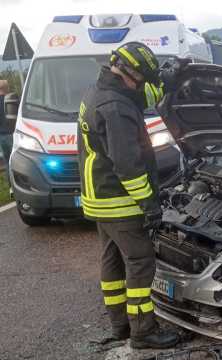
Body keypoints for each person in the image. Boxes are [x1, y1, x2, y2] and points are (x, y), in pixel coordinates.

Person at [77, 42, 178, 349]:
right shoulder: (116, 108)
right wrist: (150, 205)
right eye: (143, 79)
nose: (144, 85)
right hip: (119, 200)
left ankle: (120, 324)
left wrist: (168, 83)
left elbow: (144, 95)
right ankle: (143, 332)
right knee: (139, 261)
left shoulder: (100, 91)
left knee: (112, 263)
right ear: (130, 73)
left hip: (99, 200)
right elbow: (128, 167)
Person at [0, 80, 13, 181]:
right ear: (6, 88)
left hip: (1, 136)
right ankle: (18, 186)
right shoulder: (11, 101)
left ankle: (11, 189)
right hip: (12, 135)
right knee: (16, 162)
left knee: (7, 162)